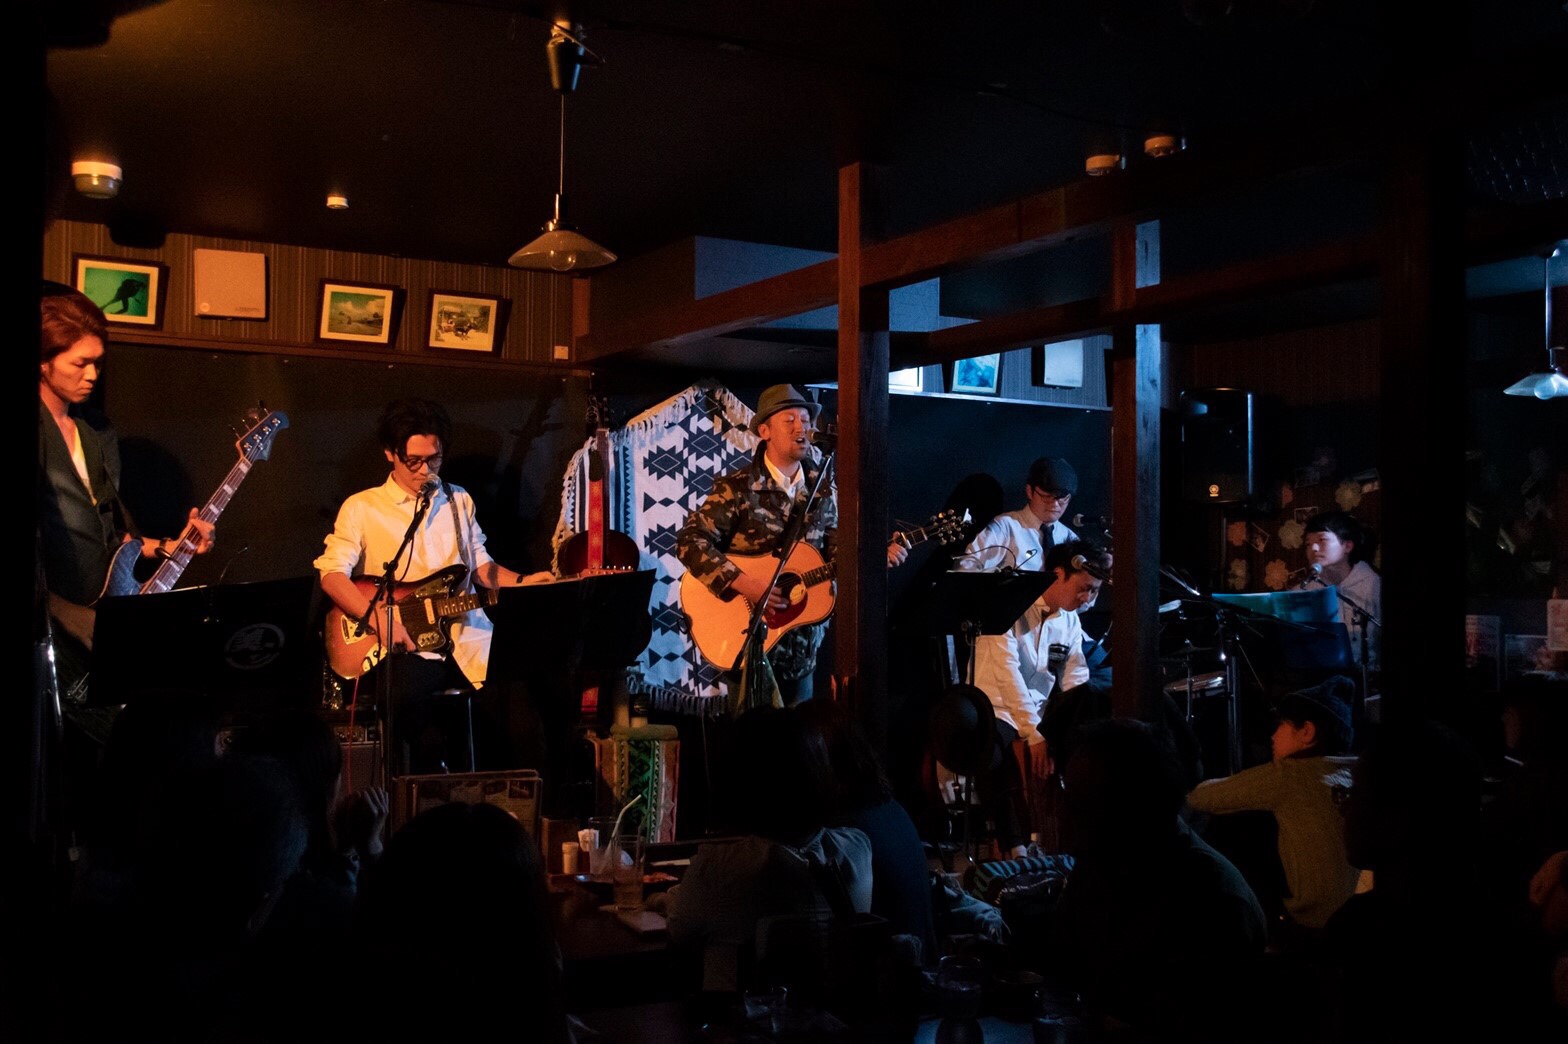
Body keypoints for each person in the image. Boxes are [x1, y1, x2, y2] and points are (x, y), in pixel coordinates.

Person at [314, 397, 551, 773]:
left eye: (434, 459)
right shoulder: (362, 508)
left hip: (467, 636)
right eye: (414, 461)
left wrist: (523, 582)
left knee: (524, 718)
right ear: (390, 453)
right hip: (406, 645)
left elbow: (480, 566)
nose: (425, 470)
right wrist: (376, 618)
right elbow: (332, 575)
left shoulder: (458, 500)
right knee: (408, 714)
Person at [37, 285, 215, 679]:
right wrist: (61, 610)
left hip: (97, 624)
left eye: (97, 363)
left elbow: (113, 537)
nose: (92, 375)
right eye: (80, 363)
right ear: (43, 362)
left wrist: (173, 546)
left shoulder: (93, 433)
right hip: (50, 628)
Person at [675, 384, 840, 704]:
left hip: (802, 650)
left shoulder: (822, 489)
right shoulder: (737, 489)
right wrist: (745, 584)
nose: (801, 427)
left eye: (805, 420)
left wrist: (874, 556)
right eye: (789, 420)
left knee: (800, 736)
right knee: (754, 735)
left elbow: (835, 553)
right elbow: (689, 542)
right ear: (765, 431)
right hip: (750, 648)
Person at [1186, 676, 1360, 934]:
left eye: (1281, 725)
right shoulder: (1357, 773)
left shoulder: (1291, 775)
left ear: (1307, 732)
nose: (1273, 735)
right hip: (1361, 917)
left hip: (1316, 924)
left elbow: (1201, 797)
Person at [970, 540, 1107, 856]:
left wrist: (1076, 723)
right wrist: (1035, 733)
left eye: (1094, 592)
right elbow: (1007, 675)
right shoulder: (1009, 606)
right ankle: (1014, 846)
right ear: (1058, 575)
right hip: (995, 706)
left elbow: (1075, 678)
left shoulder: (1070, 620)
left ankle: (1076, 842)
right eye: (1084, 589)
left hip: (1040, 711)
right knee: (993, 749)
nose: (1088, 599)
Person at [958, 456, 1079, 574]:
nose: (1055, 504)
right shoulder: (1005, 527)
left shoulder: (1069, 537)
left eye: (1063, 498)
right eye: (1047, 497)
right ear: (1030, 491)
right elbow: (966, 567)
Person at [1300, 510, 1381, 674]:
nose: (1313, 548)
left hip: (1369, 678)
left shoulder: (1374, 585)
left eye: (1322, 540)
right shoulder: (1304, 591)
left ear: (1347, 546)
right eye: (1308, 544)